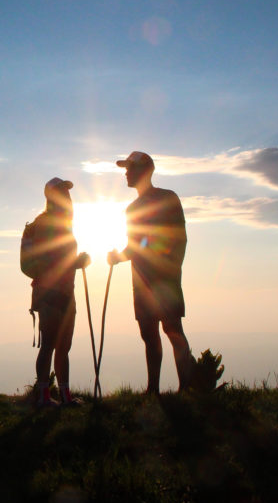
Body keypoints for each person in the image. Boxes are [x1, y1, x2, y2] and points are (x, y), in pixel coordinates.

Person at [107, 152, 194, 395]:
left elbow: (178, 239)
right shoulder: (135, 207)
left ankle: (183, 387)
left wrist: (170, 268)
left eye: (130, 168)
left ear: (143, 171)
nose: (126, 173)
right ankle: (155, 389)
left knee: (170, 328)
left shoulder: (166, 199)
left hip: (160, 279)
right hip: (148, 280)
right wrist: (119, 257)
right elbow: (137, 246)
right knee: (151, 332)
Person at [22, 177, 90, 408]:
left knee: (59, 346)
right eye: (64, 192)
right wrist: (76, 263)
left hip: (60, 293)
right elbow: (49, 261)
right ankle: (51, 396)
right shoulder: (46, 225)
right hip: (53, 293)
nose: (69, 197)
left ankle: (60, 396)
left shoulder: (55, 225)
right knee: (53, 344)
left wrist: (76, 262)